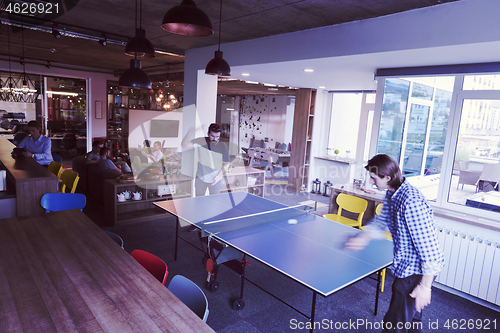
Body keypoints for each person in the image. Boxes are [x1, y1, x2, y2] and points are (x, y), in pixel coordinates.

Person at [344, 154, 444, 333]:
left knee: (393, 324)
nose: (372, 182)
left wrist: (425, 286)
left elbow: (431, 251)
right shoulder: (392, 194)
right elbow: (382, 221)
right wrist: (363, 238)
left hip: (415, 272)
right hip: (408, 266)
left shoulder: (411, 202)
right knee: (411, 318)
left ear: (387, 177)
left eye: (374, 178)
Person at [182, 123, 230, 197]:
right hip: (201, 179)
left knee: (215, 204)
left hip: (216, 180)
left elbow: (227, 164)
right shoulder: (201, 141)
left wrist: (219, 175)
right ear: (208, 134)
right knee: (199, 202)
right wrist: (190, 133)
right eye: (212, 136)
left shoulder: (223, 146)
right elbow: (184, 145)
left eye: (217, 137)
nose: (215, 139)